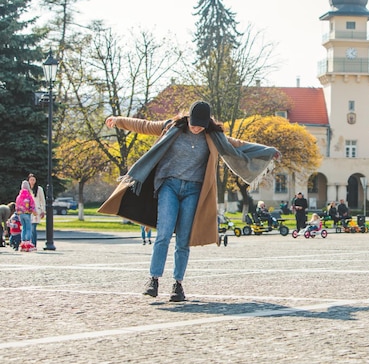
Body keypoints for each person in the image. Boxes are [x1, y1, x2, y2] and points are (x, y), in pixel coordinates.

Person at [99, 101, 279, 302]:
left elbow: (237, 145)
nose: (196, 128)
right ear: (189, 119)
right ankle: (153, 280)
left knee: (183, 240)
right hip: (169, 186)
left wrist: (268, 151)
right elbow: (144, 125)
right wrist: (118, 121)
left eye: (201, 126)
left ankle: (178, 284)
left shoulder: (214, 136)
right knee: (164, 234)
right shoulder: (172, 127)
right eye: (194, 124)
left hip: (194, 190)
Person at [27, 174, 46, 248]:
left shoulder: (39, 189)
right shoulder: (26, 189)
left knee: (33, 228)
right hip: (28, 210)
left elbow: (42, 200)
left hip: (36, 210)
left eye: (33, 180)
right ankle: (28, 243)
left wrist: (43, 210)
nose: (32, 181)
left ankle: (34, 244)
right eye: (31, 180)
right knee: (28, 228)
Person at [15, 180, 35, 248]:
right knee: (28, 228)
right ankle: (28, 242)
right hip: (27, 213)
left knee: (23, 228)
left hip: (21, 214)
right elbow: (32, 205)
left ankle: (23, 242)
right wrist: (33, 210)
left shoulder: (19, 197)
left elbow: (16, 206)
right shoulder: (29, 196)